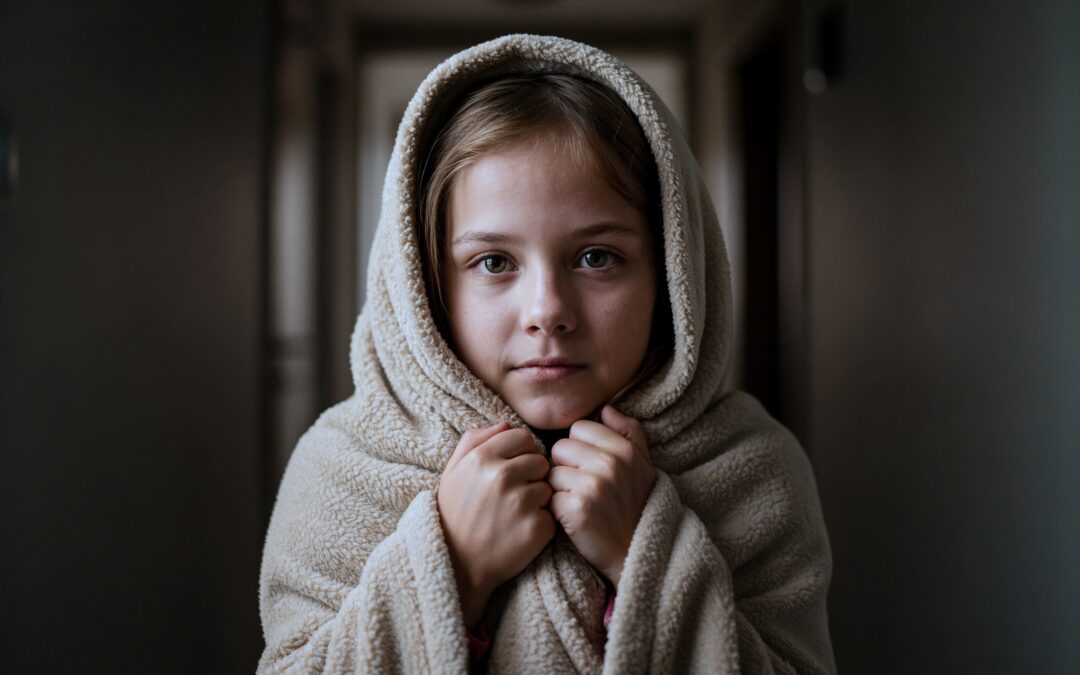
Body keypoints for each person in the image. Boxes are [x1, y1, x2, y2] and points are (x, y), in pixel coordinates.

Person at [258, 34, 836, 674]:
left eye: (597, 257)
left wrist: (644, 553)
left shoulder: (752, 467)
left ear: (672, 273)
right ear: (426, 285)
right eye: (493, 262)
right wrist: (456, 568)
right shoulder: (343, 466)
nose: (546, 310)